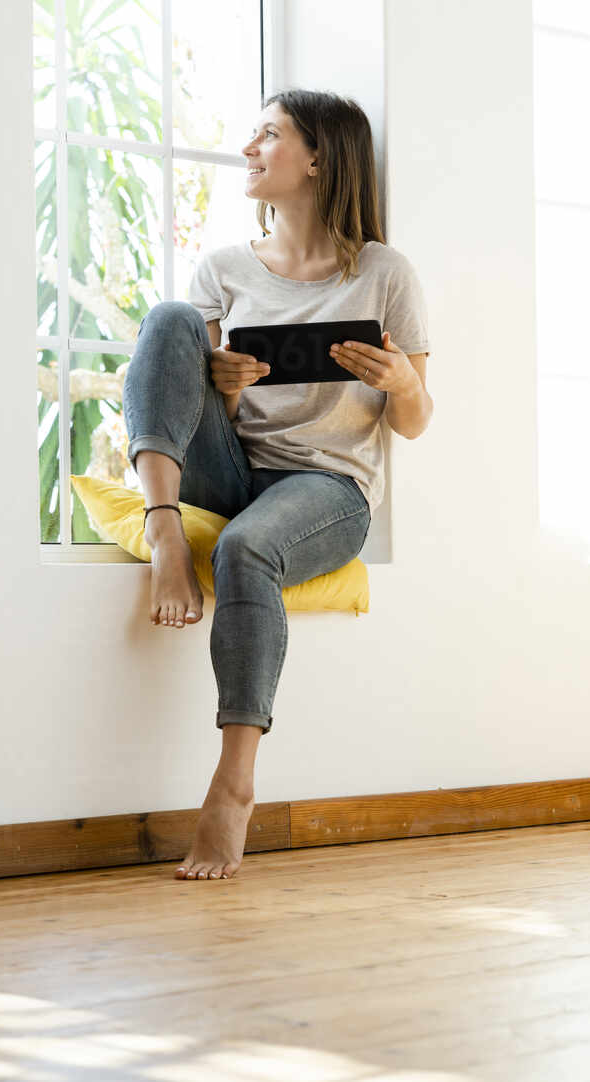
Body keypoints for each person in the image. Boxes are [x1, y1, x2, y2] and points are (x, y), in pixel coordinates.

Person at [122, 88, 433, 882]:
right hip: (232, 466)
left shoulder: (386, 274)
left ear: (320, 157)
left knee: (245, 546)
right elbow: (190, 397)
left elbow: (414, 423)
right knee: (168, 323)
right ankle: (163, 530)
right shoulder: (224, 267)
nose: (249, 149)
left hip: (326, 489)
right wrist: (222, 383)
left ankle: (232, 784)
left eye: (268, 135)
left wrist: (400, 379)